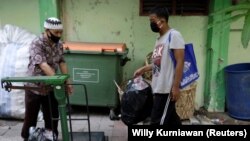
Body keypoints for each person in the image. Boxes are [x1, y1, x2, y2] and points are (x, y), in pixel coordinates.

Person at [21, 17, 73, 140]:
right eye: (56, 33)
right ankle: (26, 137)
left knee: (52, 114)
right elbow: (43, 65)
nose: (59, 35)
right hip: (34, 86)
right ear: (47, 30)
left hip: (50, 85)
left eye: (61, 32)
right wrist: (57, 80)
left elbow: (62, 62)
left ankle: (51, 136)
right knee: (31, 116)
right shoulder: (36, 43)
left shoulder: (59, 44)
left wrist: (68, 81)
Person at [134, 6, 184, 125]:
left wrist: (176, 87)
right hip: (158, 87)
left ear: (162, 21)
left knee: (156, 121)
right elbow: (158, 63)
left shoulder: (174, 35)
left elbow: (180, 61)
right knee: (172, 120)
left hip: (167, 88)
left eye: (152, 21)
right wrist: (143, 69)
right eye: (150, 21)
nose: (151, 24)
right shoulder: (159, 39)